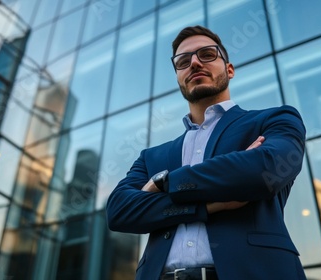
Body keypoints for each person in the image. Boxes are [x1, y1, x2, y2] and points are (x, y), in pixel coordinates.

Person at [106, 25, 307, 280]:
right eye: (183, 61)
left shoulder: (274, 119)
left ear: (229, 69)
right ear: (179, 77)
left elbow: (265, 169)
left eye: (207, 54)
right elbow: (119, 211)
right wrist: (209, 205)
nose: (194, 63)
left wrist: (164, 182)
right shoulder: (151, 156)